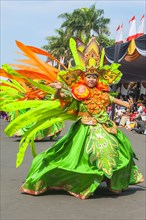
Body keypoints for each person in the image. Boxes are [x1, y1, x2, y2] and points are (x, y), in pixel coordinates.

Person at [20, 70, 144, 199]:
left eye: (94, 77)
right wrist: (58, 89)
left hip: (104, 126)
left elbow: (118, 101)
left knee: (121, 149)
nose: (91, 79)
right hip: (85, 127)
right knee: (80, 157)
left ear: (97, 79)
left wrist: (128, 105)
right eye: (89, 77)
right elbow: (60, 97)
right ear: (84, 79)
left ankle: (113, 182)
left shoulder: (103, 94)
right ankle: (83, 181)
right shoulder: (78, 92)